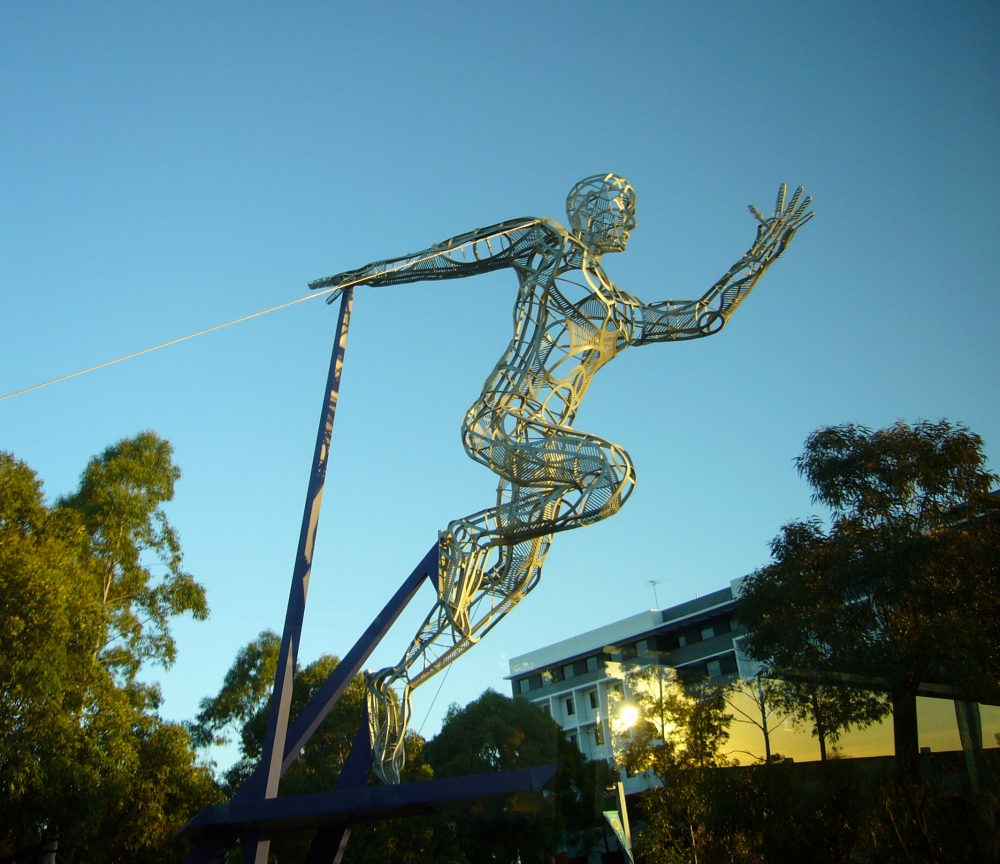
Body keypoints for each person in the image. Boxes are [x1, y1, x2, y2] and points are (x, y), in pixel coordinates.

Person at [310, 175, 814, 783]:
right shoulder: (545, 247)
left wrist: (765, 249)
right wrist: (369, 275)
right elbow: (451, 257)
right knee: (613, 473)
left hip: (545, 458)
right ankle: (472, 534)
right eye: (624, 209)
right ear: (590, 212)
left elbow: (703, 317)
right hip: (505, 423)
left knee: (514, 581)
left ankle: (400, 681)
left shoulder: (620, 312)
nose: (631, 223)